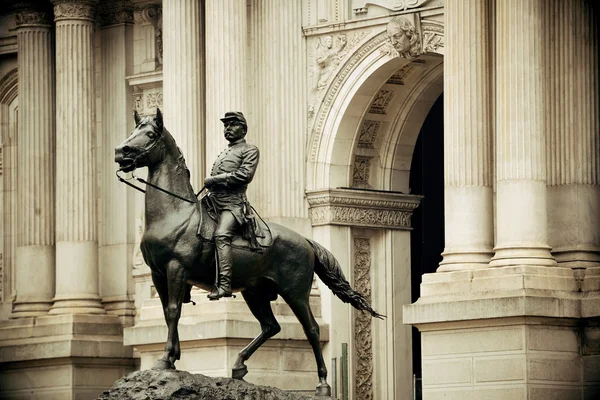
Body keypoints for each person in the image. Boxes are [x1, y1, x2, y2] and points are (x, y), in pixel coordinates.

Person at [203, 111, 260, 300]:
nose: (227, 129)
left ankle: (225, 285)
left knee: (221, 235)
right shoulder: (225, 152)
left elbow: (245, 175)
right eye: (225, 125)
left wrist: (215, 179)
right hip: (213, 202)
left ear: (243, 129)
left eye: (232, 125)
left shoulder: (250, 150)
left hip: (233, 204)